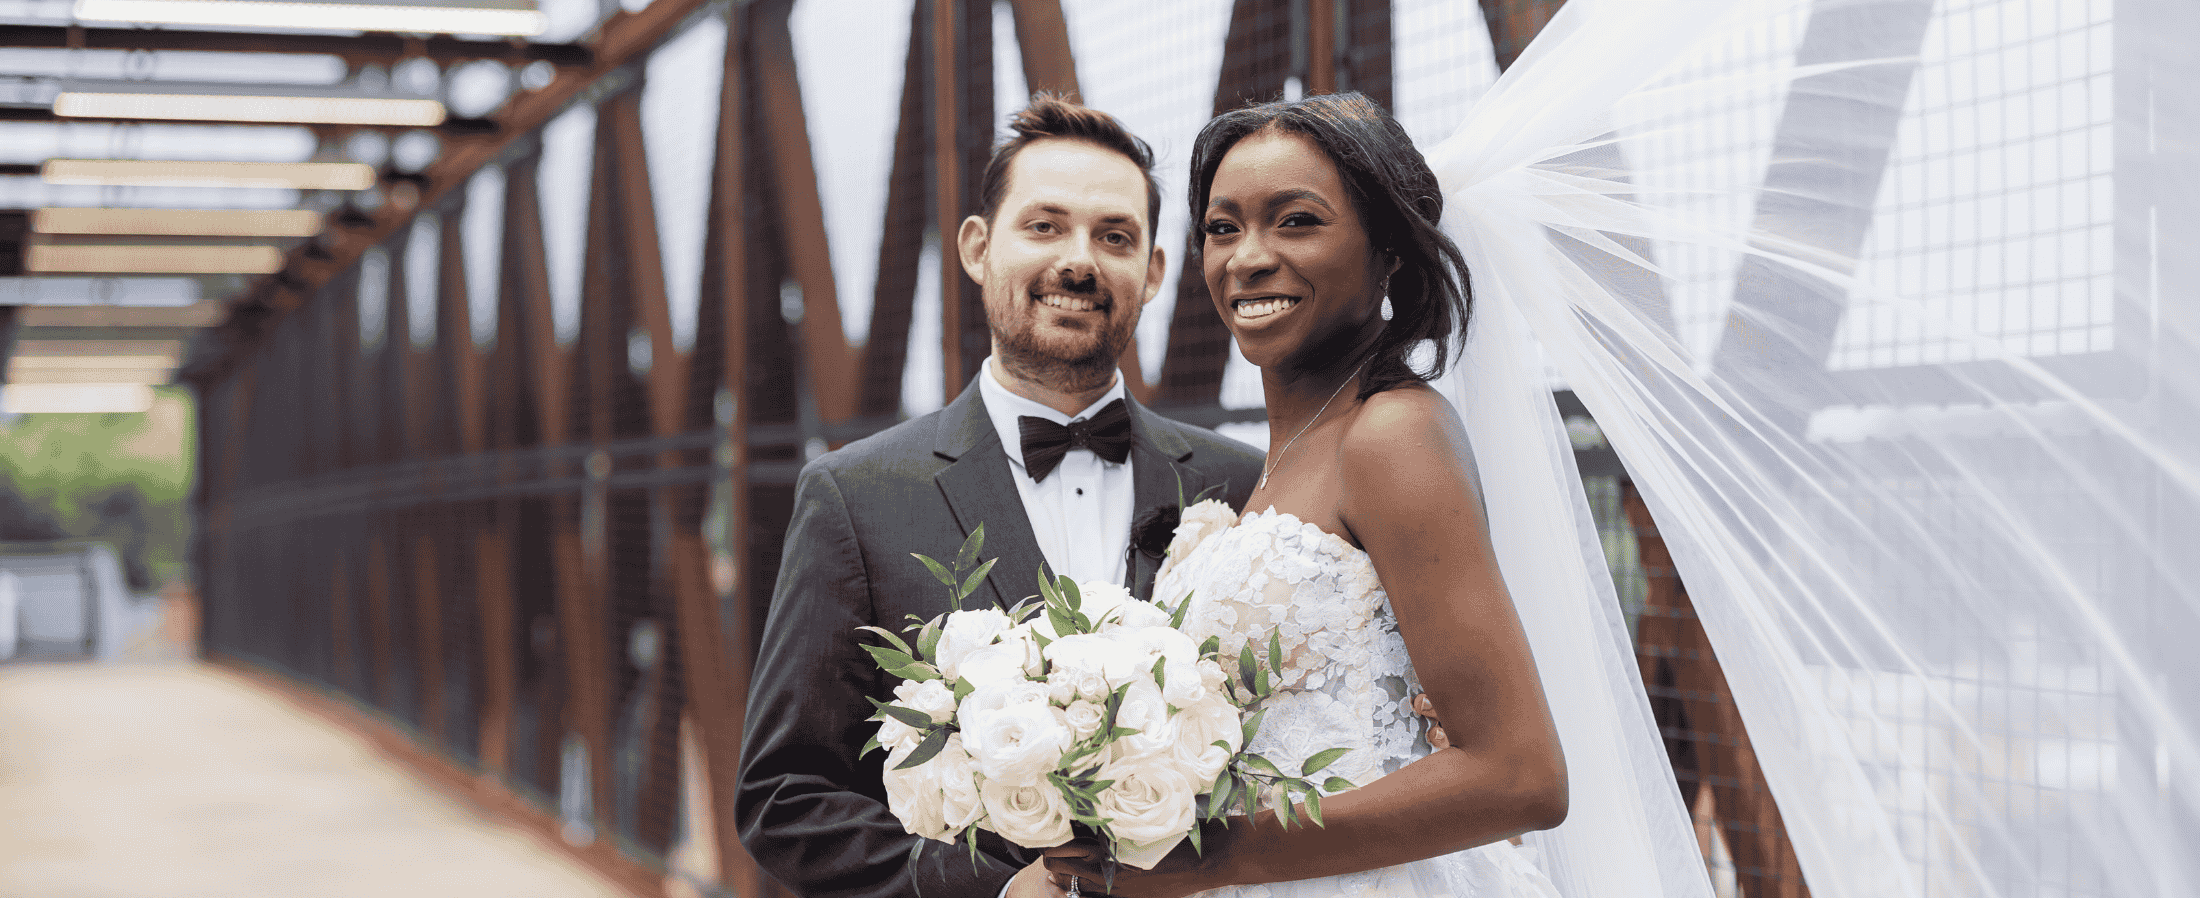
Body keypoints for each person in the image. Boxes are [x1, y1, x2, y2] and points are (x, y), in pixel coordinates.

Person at [734, 95, 1267, 898]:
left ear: (1153, 271)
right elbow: (782, 797)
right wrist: (986, 891)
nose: (1079, 261)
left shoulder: (1241, 482)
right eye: (1044, 226)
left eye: (1114, 236)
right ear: (980, 248)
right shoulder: (854, 496)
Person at [1040, 91, 1568, 897]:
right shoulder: (1278, 465)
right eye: (1223, 227)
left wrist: (1217, 856)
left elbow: (1521, 774)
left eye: (1296, 221)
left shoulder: (1391, 433)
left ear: (1389, 250)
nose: (1247, 257)